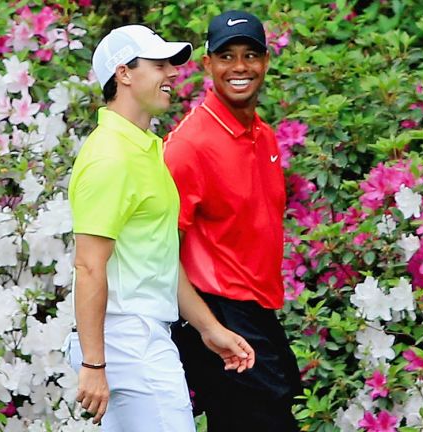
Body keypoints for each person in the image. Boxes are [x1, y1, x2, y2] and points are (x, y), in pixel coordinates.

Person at [65, 24, 255, 432]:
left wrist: (209, 329)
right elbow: (89, 266)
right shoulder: (111, 157)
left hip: (138, 337)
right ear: (124, 73)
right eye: (159, 64)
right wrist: (94, 363)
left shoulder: (145, 150)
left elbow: (158, 260)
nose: (172, 73)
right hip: (127, 342)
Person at [164, 10, 303, 432]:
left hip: (258, 311)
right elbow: (159, 250)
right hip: (220, 314)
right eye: (226, 56)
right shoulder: (189, 145)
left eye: (250, 55)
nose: (239, 67)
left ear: (265, 62)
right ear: (208, 65)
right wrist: (205, 326)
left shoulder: (264, 134)